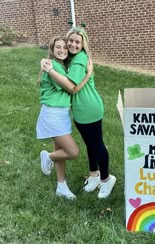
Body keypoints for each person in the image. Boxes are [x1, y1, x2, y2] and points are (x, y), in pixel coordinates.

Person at [41, 26, 116, 199]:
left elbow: (72, 88)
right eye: (71, 41)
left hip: (88, 107)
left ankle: (106, 179)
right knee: (91, 143)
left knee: (97, 144)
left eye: (77, 42)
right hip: (82, 108)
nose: (73, 45)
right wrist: (45, 62)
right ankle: (94, 175)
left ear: (83, 44)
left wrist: (87, 74)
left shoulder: (79, 60)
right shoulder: (71, 58)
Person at [36, 35, 92, 200]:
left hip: (61, 114)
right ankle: (48, 156)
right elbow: (70, 88)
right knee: (72, 152)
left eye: (64, 47)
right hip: (53, 115)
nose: (62, 50)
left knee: (60, 150)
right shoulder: (53, 67)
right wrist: (88, 75)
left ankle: (61, 186)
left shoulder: (58, 65)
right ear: (52, 51)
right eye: (57, 47)